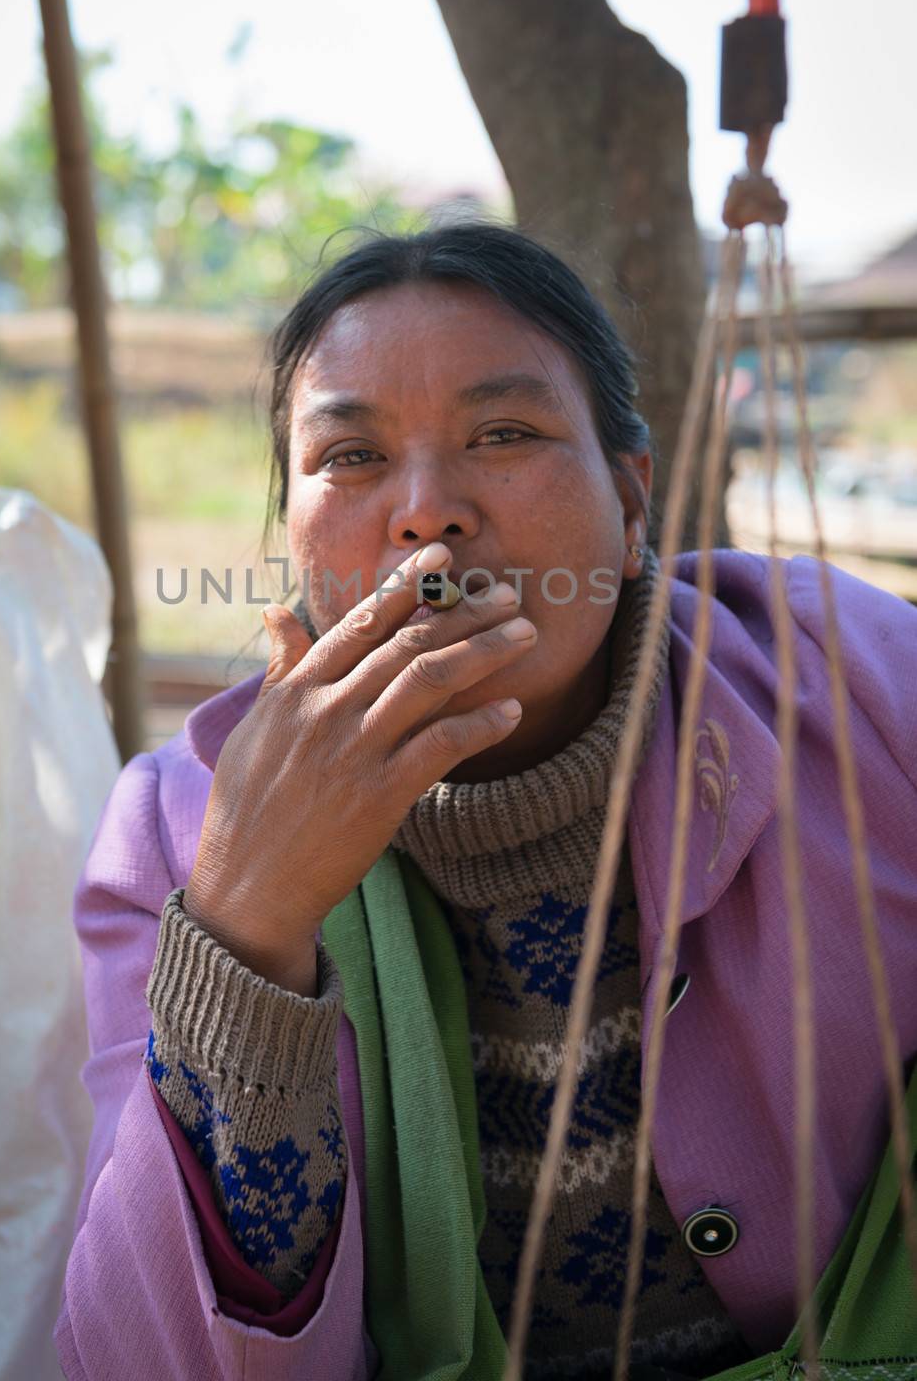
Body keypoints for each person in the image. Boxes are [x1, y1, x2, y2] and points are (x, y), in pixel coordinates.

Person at [54, 223, 917, 1381]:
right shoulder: (175, 834)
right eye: (351, 456)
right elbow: (143, 1359)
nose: (427, 512)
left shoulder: (854, 674)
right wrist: (249, 929)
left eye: (504, 433)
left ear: (631, 496)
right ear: (289, 532)